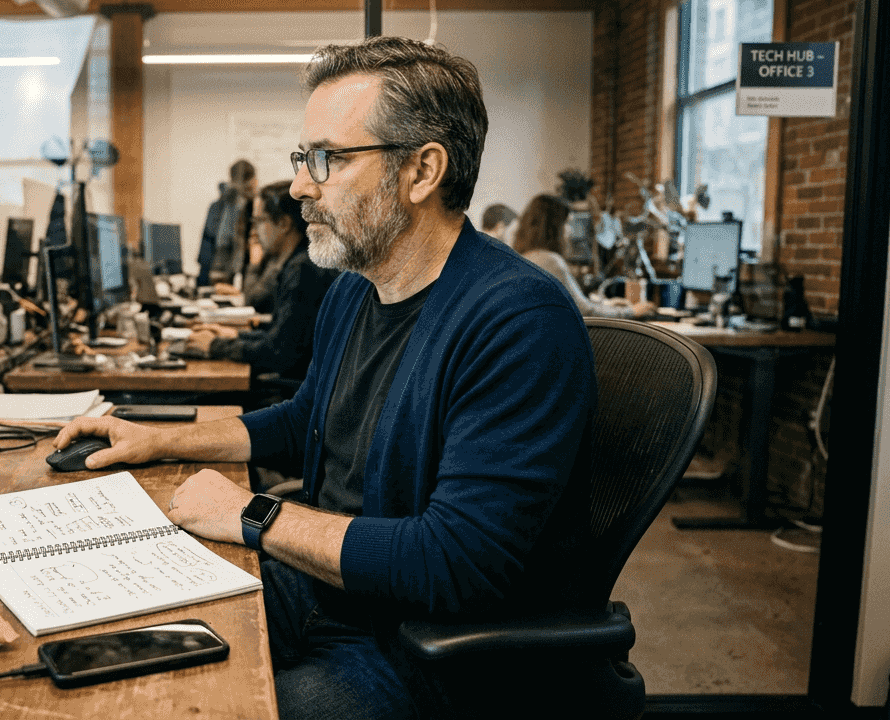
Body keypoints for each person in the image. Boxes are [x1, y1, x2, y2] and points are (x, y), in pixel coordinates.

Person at [56, 37, 604, 718]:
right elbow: (303, 420)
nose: (299, 186)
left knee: (197, 707)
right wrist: (158, 440)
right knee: (110, 626)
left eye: (327, 159)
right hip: (330, 592)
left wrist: (251, 513)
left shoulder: (518, 320)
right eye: (302, 158)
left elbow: (455, 560)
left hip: (428, 650)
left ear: (422, 171)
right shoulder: (354, 289)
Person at [187, 181, 339, 382]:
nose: (254, 231)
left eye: (259, 221)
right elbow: (280, 335)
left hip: (292, 387)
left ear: (283, 224)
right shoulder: (299, 262)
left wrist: (215, 345)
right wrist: (234, 335)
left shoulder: (303, 269)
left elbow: (279, 353)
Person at [512, 193, 657, 319]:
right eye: (567, 223)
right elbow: (585, 312)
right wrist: (631, 311)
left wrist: (605, 305)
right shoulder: (550, 261)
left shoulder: (525, 258)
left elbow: (577, 305)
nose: (570, 231)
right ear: (553, 227)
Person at [196, 159, 256, 287]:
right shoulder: (248, 205)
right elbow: (228, 240)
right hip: (232, 271)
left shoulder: (217, 205)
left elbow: (207, 241)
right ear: (251, 180)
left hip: (212, 269)